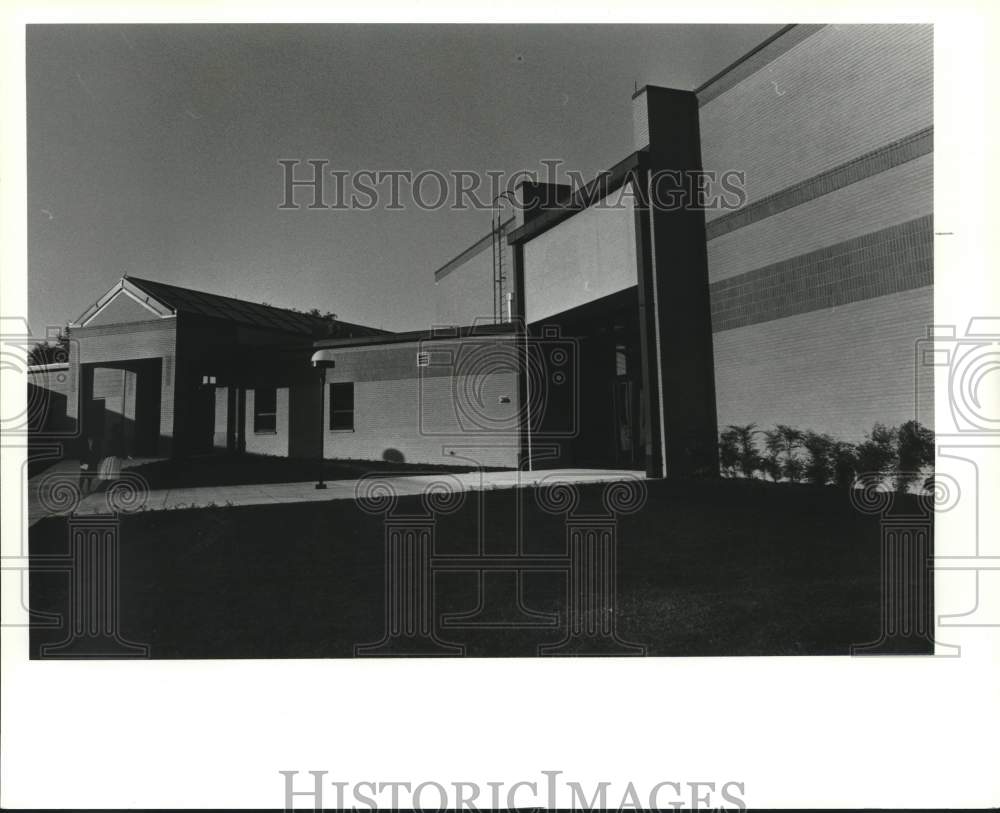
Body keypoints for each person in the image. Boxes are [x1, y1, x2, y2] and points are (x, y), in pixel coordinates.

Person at [96, 424, 124, 493]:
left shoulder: (113, 437)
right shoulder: (115, 437)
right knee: (112, 473)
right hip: (113, 457)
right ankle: (111, 488)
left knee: (113, 473)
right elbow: (117, 447)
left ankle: (114, 487)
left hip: (114, 457)